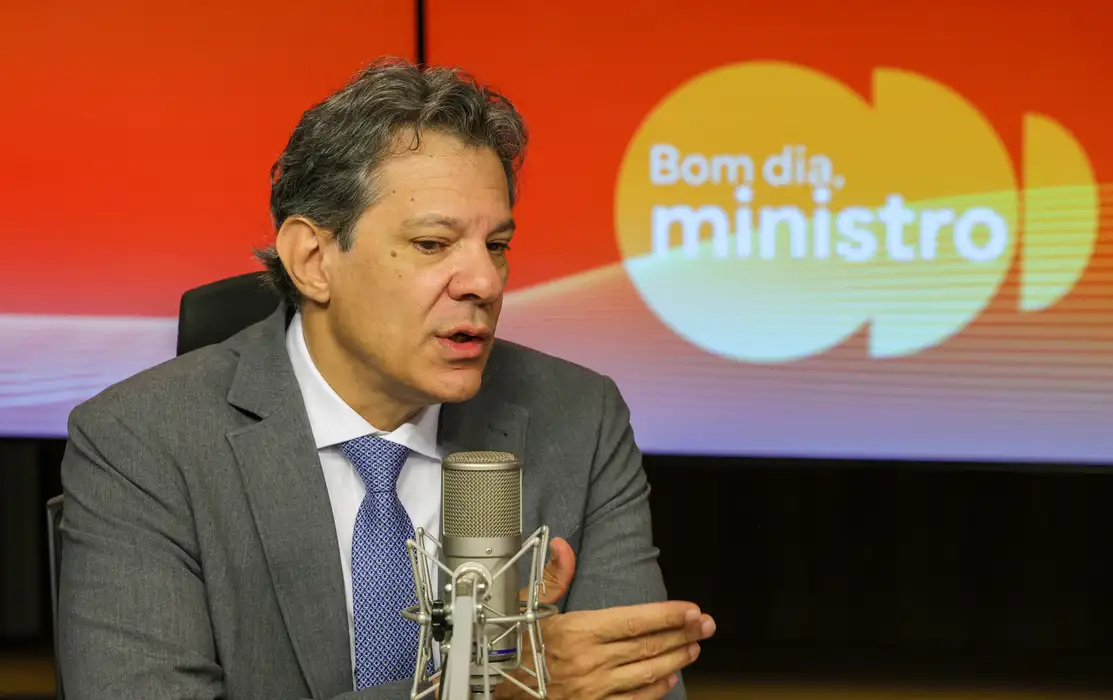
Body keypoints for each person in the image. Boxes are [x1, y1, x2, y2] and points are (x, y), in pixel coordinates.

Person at [56, 57, 715, 700]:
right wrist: (483, 688)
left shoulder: (578, 418)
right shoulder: (142, 440)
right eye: (432, 244)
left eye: (496, 246)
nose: (484, 282)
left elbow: (638, 688)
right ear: (313, 260)